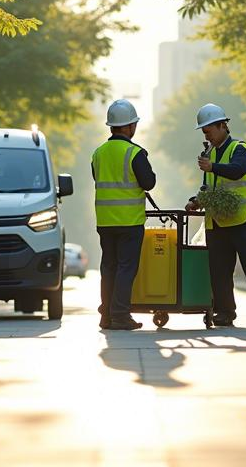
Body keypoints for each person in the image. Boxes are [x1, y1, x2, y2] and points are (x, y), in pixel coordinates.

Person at [185, 103, 246, 328]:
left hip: (244, 220)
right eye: (204, 133)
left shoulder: (240, 149)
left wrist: (213, 167)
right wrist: (197, 201)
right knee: (219, 271)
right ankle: (224, 312)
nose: (206, 136)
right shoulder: (210, 155)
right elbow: (209, 187)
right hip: (217, 223)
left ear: (222, 126)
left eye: (208, 131)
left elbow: (238, 170)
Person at [92, 98, 156, 330]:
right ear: (130, 127)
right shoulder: (135, 153)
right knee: (126, 267)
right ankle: (120, 314)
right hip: (129, 222)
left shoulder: (98, 153)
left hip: (105, 222)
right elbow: (148, 183)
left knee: (108, 267)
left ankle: (106, 316)